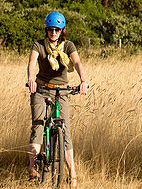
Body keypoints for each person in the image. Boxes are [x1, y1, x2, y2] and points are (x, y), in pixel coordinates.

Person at [27, 11, 88, 184]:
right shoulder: (38, 45)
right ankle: (33, 168)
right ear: (46, 30)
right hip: (41, 90)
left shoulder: (68, 46)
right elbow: (32, 63)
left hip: (61, 91)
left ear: (62, 31)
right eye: (51, 30)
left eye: (57, 30)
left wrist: (83, 81)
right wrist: (31, 79)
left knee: (65, 130)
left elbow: (77, 63)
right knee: (38, 126)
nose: (53, 33)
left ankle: (72, 175)